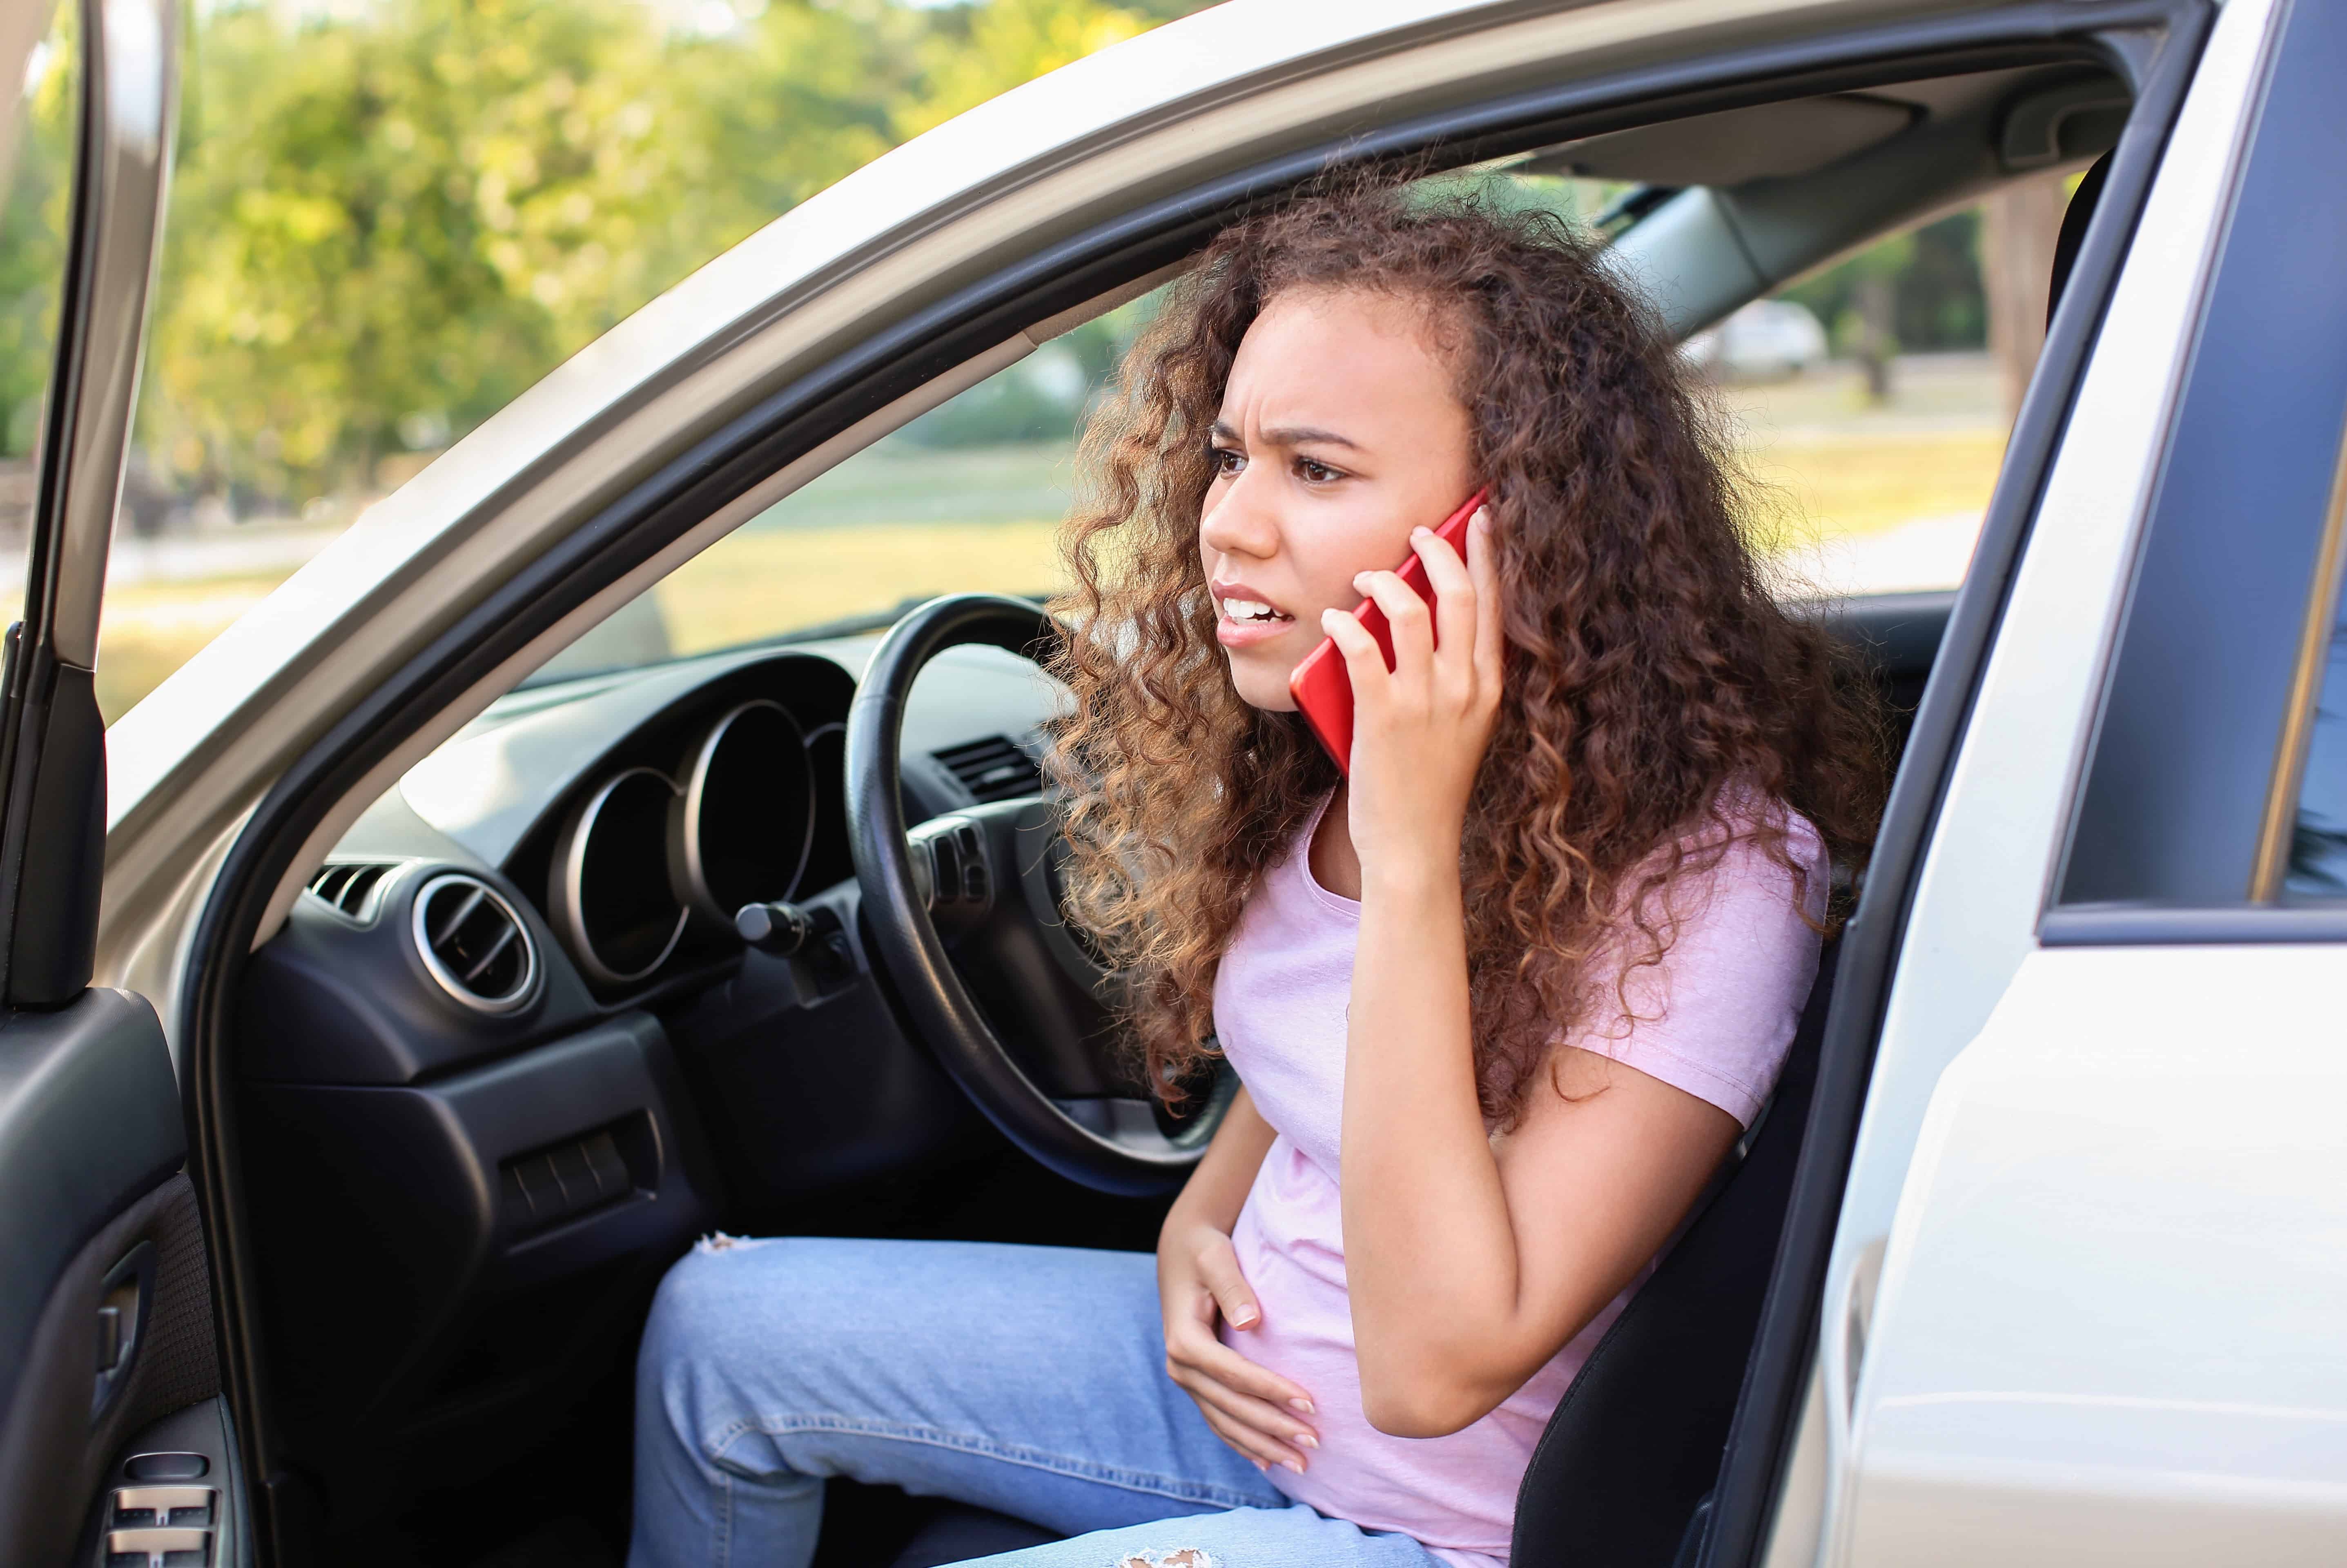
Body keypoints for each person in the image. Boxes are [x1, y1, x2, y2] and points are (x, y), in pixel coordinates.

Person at [629, 176, 1885, 1568]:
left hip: (1437, 1528)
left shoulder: (1706, 883)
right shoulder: (1326, 765)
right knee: (714, 1335)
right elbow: (1299, 1077)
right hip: (1243, 1407)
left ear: (1517, 531)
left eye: (1317, 469)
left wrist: (1412, 856)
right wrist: (1192, 1229)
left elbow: (1432, 1372)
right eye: (1231, 456)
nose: (1226, 520)